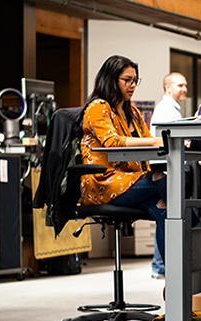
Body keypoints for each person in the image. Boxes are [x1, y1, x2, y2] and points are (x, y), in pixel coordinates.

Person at [79, 55, 167, 267]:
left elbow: (149, 144)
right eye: (127, 80)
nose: (133, 85)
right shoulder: (98, 107)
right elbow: (112, 141)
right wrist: (155, 140)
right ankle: (199, 240)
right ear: (111, 79)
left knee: (167, 212)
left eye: (135, 80)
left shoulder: (133, 112)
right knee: (164, 184)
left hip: (129, 181)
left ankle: (175, 279)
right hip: (103, 182)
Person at [148, 72, 188, 279]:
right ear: (168, 88)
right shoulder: (166, 109)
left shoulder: (172, 108)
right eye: (180, 85)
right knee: (167, 212)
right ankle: (160, 265)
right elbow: (167, 139)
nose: (184, 89)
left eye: (185, 85)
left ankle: (159, 265)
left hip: (167, 166)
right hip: (165, 168)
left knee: (165, 213)